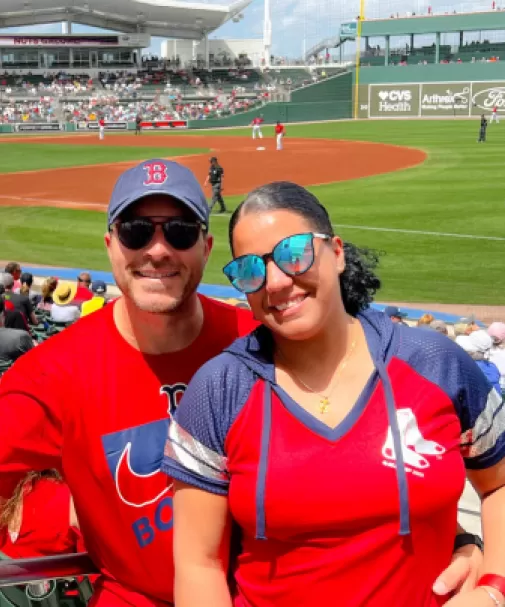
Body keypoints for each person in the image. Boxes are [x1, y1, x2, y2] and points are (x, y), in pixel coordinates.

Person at [164, 181, 505, 607]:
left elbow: (498, 484)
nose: (274, 282)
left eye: (293, 253)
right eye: (250, 270)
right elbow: (199, 566)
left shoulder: (436, 364)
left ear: (337, 252)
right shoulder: (220, 390)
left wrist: (494, 587)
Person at [0, 158, 257, 606]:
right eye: (136, 231)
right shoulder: (52, 374)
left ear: (207, 246)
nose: (157, 250)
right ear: (110, 244)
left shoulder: (259, 341)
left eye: (179, 231)